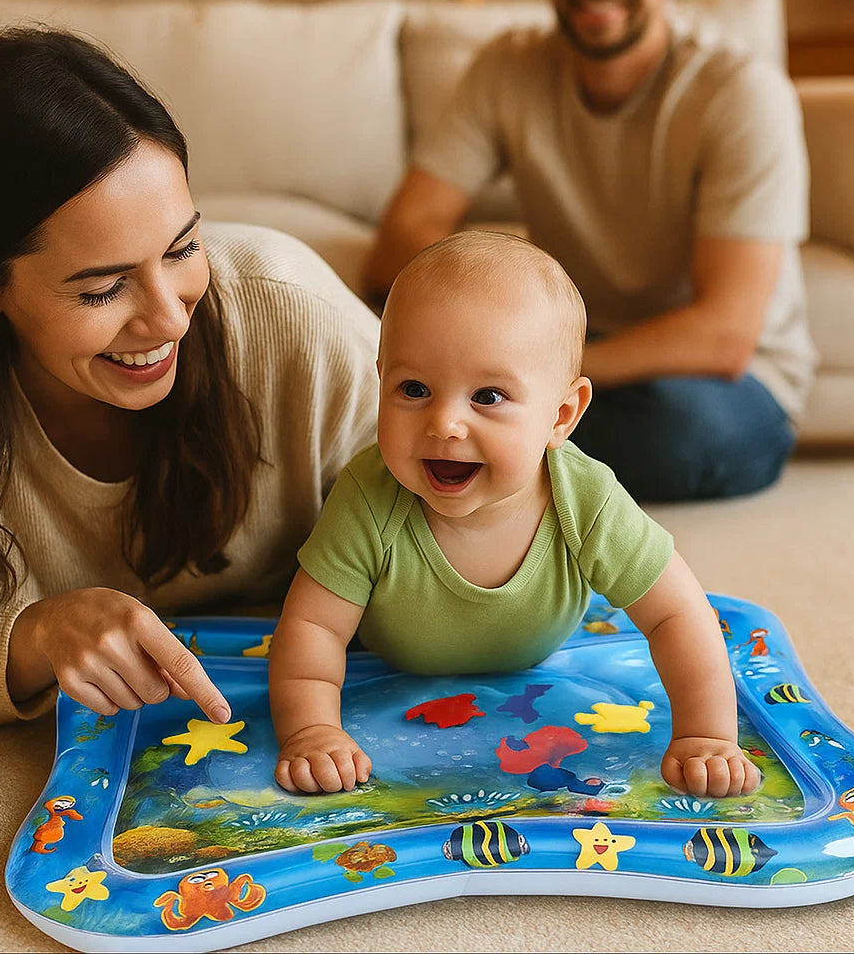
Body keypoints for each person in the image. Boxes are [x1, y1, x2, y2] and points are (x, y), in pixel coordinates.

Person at [0, 27, 380, 726]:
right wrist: (39, 635)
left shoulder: (290, 307)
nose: (170, 320)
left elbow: (500, 496)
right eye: (103, 289)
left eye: (182, 250)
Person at [269, 230, 760, 800]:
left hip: (536, 666)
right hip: (388, 662)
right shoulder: (368, 495)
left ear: (562, 415)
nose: (444, 424)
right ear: (381, 381)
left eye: (488, 396)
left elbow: (678, 613)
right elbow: (314, 628)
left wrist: (706, 735)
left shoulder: (586, 498)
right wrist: (312, 730)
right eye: (415, 388)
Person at [359, 0, 816, 502]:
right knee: (418, 392)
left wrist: (527, 371)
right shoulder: (506, 69)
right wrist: (496, 351)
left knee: (678, 430)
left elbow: (724, 335)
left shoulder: (741, 93)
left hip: (721, 381)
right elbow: (401, 237)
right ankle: (503, 446)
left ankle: (485, 450)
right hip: (571, 354)